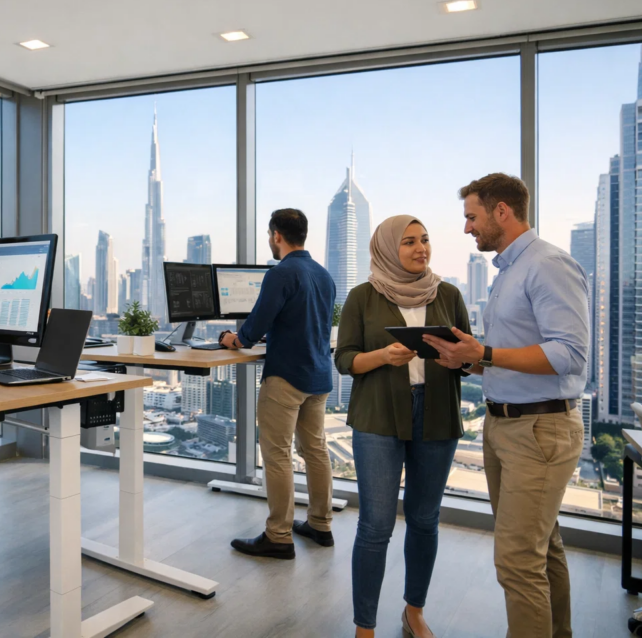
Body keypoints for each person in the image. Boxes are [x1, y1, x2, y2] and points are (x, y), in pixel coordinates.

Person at [424, 173, 588, 638]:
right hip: (505, 427)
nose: (466, 229)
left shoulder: (547, 265)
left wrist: (486, 354)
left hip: (537, 431)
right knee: (542, 549)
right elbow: (509, 356)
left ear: (501, 212)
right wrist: (465, 358)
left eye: (471, 217)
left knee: (517, 562)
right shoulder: (509, 272)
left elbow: (569, 355)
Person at [334, 216, 472, 638]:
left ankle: (414, 611)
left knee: (424, 519)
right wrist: (381, 356)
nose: (420, 248)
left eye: (425, 240)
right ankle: (365, 627)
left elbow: (471, 357)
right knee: (375, 525)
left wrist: (460, 358)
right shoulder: (362, 297)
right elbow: (344, 360)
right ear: (388, 248)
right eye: (409, 242)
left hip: (438, 414)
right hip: (378, 415)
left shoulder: (448, 294)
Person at [221, 208, 337, 559]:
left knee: (276, 454)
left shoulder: (281, 273)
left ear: (276, 235)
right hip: (318, 375)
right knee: (315, 450)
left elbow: (254, 329)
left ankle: (278, 535)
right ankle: (320, 524)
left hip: (287, 376)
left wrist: (232, 339)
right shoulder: (323, 274)